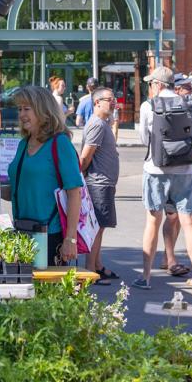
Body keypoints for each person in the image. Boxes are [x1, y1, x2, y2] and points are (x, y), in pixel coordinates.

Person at [136, 68, 192, 292]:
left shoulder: (148, 105)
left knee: (153, 221)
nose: (150, 87)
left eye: (151, 84)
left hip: (156, 169)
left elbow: (144, 139)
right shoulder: (189, 104)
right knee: (189, 223)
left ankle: (145, 277)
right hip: (185, 170)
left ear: (158, 84)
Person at [7, 85, 82, 264]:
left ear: (43, 110)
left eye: (27, 109)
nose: (21, 115)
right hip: (22, 230)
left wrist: (70, 239)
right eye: (19, 109)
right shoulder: (23, 144)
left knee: (46, 290)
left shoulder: (60, 144)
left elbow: (74, 193)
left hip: (49, 234)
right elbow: (19, 188)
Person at [79, 87, 119, 282]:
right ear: (97, 103)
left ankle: (97, 265)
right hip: (98, 184)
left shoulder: (102, 123)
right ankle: (90, 271)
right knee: (96, 228)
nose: (113, 102)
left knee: (100, 227)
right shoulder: (97, 124)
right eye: (109, 100)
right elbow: (85, 157)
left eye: (114, 99)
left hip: (104, 183)